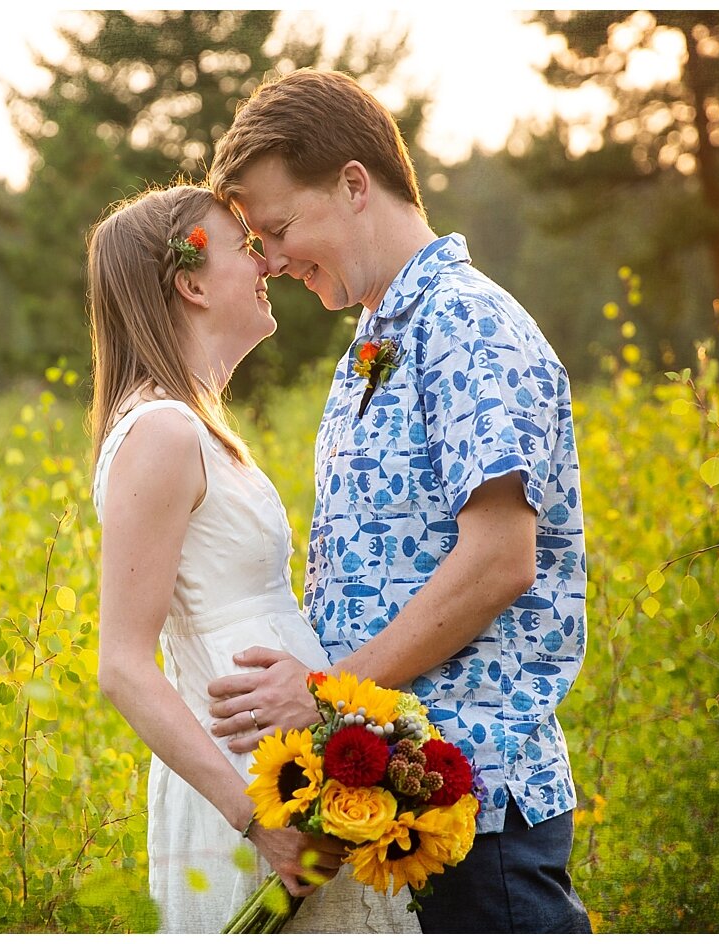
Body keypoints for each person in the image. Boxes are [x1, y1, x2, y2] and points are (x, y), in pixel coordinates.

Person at [204, 69, 593, 934]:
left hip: (479, 805)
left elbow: (499, 559)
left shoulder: (466, 324)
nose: (270, 260)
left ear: (352, 185)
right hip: (395, 810)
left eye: (278, 228)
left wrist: (329, 693)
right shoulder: (375, 345)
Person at [88, 183, 420, 934]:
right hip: (247, 796)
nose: (268, 262)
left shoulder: (195, 429)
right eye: (245, 247)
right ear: (192, 283)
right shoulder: (162, 433)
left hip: (292, 778)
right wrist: (256, 819)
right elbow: (123, 665)